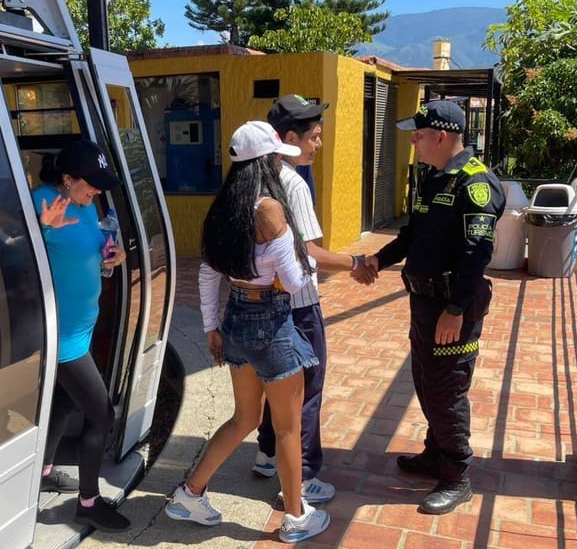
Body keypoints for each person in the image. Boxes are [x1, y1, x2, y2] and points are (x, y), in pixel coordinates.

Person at [164, 120, 330, 543]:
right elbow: (295, 281)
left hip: (236, 318)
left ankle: (190, 493)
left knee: (245, 418)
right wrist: (303, 256)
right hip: (270, 323)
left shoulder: (226, 208)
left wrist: (211, 328)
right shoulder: (270, 209)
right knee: (288, 428)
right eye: (276, 159)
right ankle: (296, 517)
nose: (280, 165)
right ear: (266, 162)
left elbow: (207, 274)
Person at [353, 100, 505, 515]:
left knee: (447, 389)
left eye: (418, 136)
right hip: (423, 303)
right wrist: (378, 259)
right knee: (426, 381)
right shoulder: (435, 178)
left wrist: (455, 310)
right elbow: (412, 235)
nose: (413, 143)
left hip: (450, 308)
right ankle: (435, 453)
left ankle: (457, 476)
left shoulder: (475, 183)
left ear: (440, 136)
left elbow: (477, 252)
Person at [252, 94, 371, 504]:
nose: (318, 144)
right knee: (306, 389)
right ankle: (302, 476)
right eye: (314, 136)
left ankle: (268, 454)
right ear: (290, 138)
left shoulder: (255, 177)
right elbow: (309, 252)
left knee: (276, 382)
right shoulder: (293, 183)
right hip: (299, 305)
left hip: (262, 302)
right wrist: (356, 262)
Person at [33, 139, 131, 532]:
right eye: (90, 184)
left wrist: (113, 257)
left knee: (64, 403)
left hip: (82, 327)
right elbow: (2, 250)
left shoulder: (86, 206)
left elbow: (88, 250)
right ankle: (89, 503)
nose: (96, 192)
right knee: (101, 413)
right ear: (67, 178)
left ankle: (42, 472)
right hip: (62, 336)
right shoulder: (42, 204)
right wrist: (40, 229)